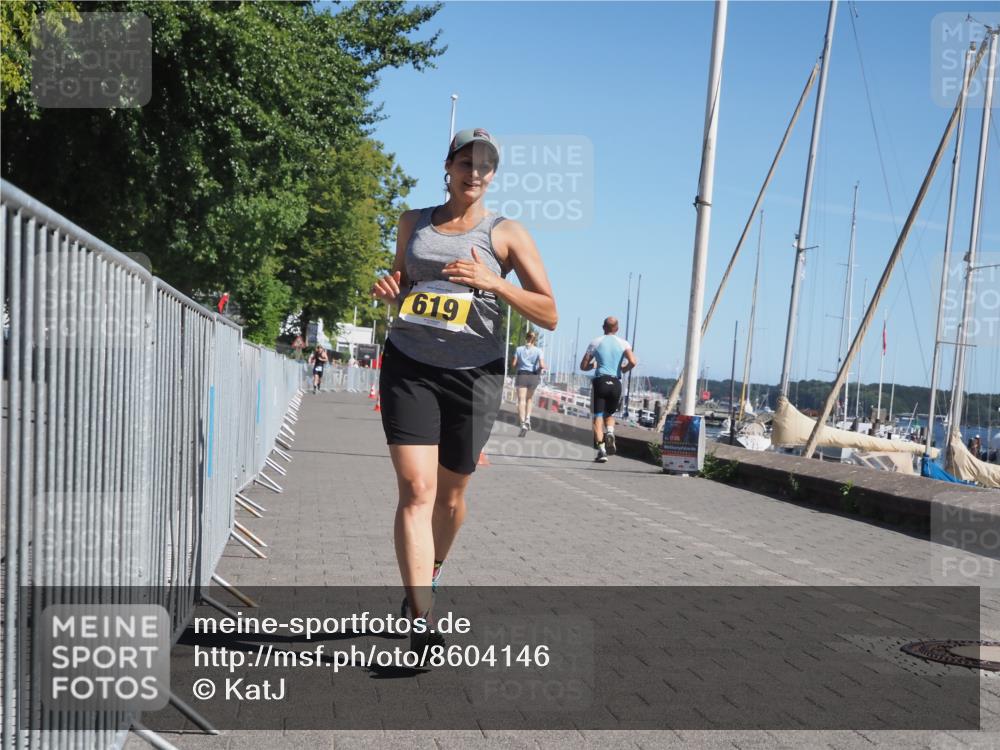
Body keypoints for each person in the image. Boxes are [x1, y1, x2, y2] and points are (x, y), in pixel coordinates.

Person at [370, 127, 557, 649]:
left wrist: (496, 283)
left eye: (485, 166)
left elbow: (550, 312)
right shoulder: (413, 222)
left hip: (475, 375)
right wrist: (389, 290)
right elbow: (402, 285)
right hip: (409, 364)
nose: (474, 173)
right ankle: (422, 621)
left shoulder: (506, 234)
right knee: (416, 491)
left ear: (492, 175)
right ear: (448, 167)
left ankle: (428, 575)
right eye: (465, 163)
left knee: (450, 499)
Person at [580, 317, 637, 463]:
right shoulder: (624, 343)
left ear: (603, 327)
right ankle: (610, 432)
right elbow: (633, 361)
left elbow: (583, 366)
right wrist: (623, 369)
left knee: (597, 417)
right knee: (609, 414)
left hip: (600, 381)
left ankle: (602, 450)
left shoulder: (595, 342)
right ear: (617, 329)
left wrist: (592, 366)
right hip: (616, 382)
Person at [512, 331, 545, 435]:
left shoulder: (518, 349)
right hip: (533, 376)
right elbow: (542, 365)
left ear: (526, 338)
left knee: (521, 400)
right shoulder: (539, 351)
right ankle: (527, 419)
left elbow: (513, 364)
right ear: (535, 340)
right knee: (529, 399)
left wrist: (519, 363)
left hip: (522, 374)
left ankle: (522, 423)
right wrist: (540, 369)